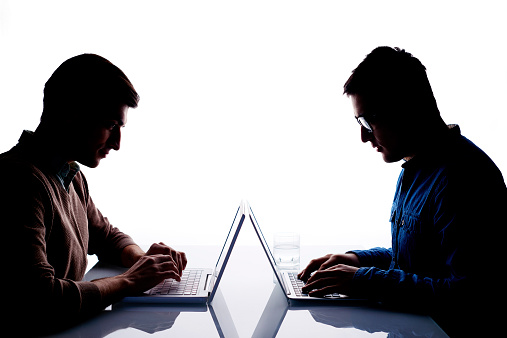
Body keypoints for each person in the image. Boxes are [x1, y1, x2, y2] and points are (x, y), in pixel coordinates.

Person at [298, 47, 506, 336]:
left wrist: (362, 281)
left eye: (368, 121)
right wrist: (358, 261)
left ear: (404, 109)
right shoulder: (415, 166)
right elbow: (418, 263)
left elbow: (468, 296)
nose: (363, 136)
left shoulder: (464, 178)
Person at [0, 54, 187, 335]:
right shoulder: (17, 182)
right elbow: (41, 299)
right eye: (111, 125)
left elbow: (106, 236)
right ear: (71, 115)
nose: (118, 143)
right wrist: (130, 281)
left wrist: (140, 259)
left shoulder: (69, 175)